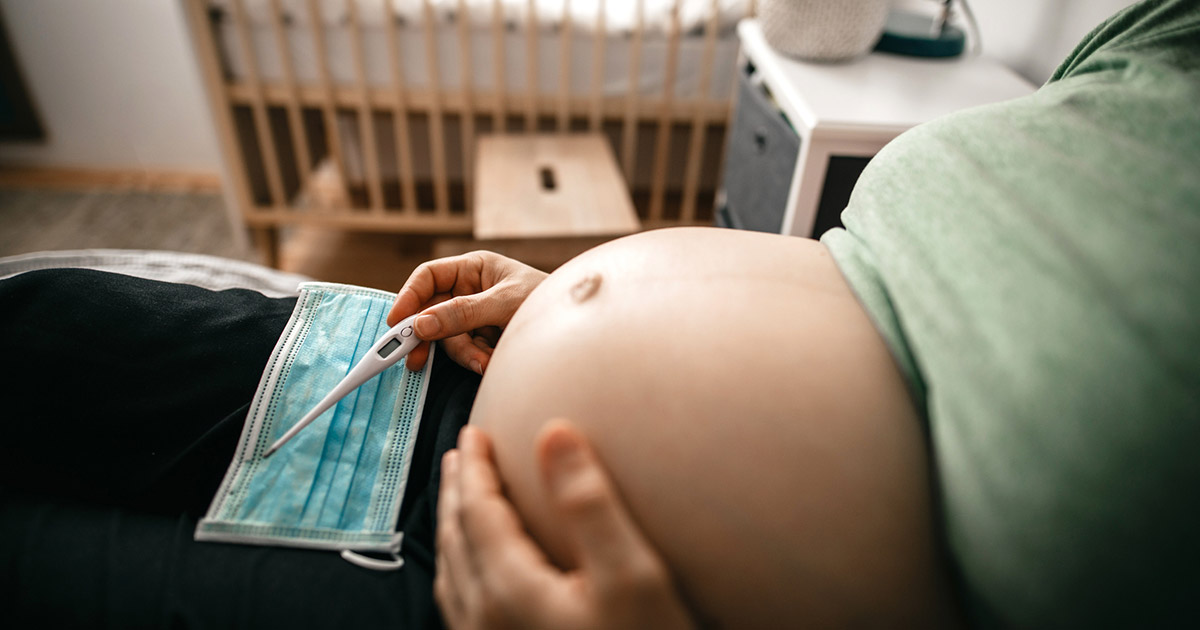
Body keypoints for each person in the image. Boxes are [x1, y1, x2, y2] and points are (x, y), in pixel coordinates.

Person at [2, 0, 1197, 627]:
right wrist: (575, 295)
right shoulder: (1167, 46)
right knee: (35, 327)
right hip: (453, 387)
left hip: (511, 595)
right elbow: (873, 278)